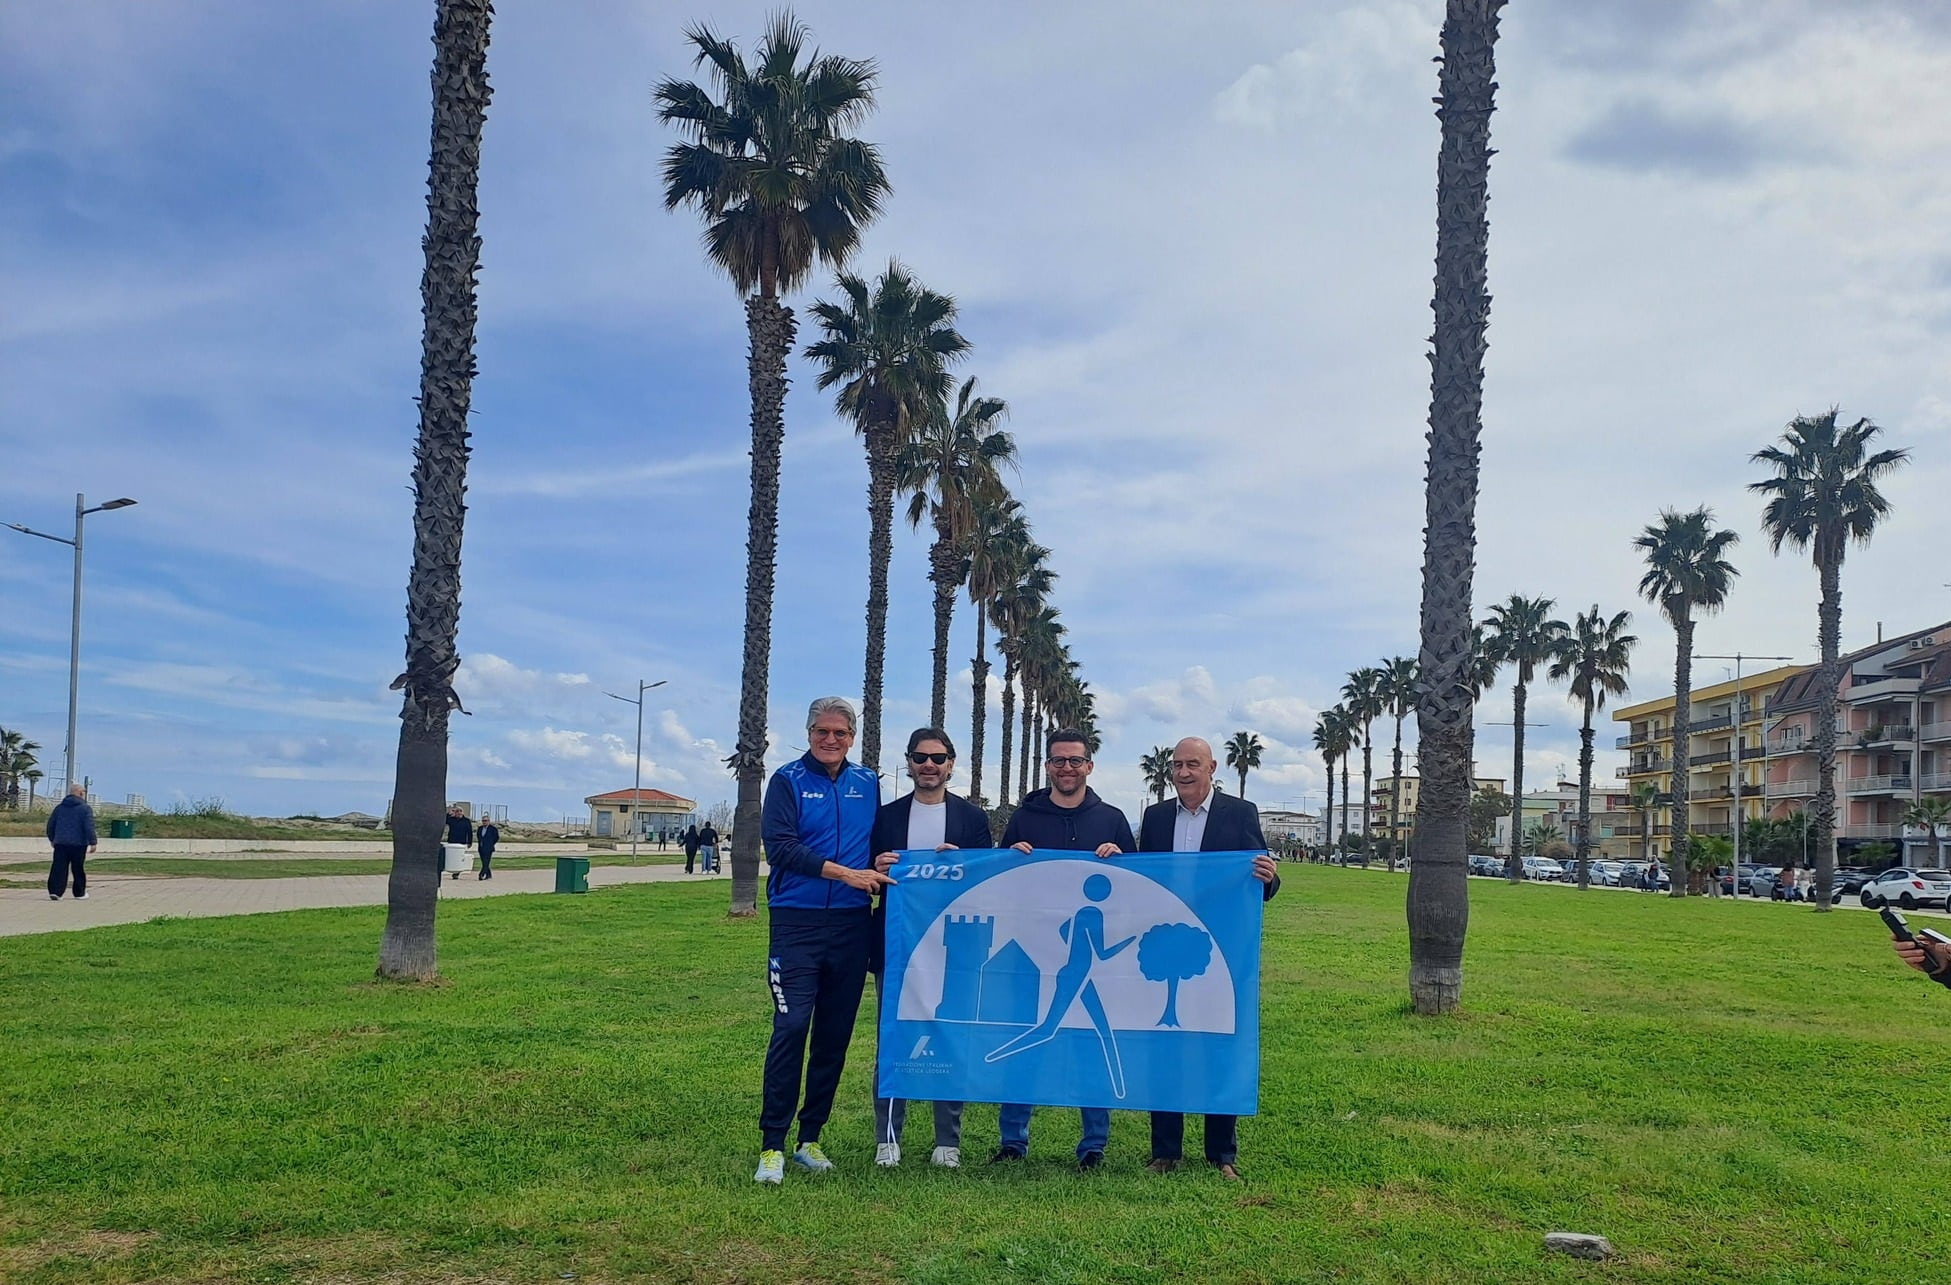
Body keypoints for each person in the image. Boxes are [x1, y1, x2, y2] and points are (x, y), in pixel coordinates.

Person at [753, 697, 891, 1185]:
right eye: (821, 731)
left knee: (834, 1036)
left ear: (852, 737)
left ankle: (810, 1138)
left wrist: (886, 865)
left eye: (840, 732)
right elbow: (784, 848)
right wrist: (845, 874)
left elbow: (878, 844)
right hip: (797, 923)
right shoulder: (788, 780)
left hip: (852, 926)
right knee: (792, 1028)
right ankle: (772, 1144)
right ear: (808, 731)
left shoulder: (867, 782)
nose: (830, 739)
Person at [992, 727, 1135, 1172]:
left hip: (1091, 974)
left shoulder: (1111, 819)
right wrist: (1009, 854)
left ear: (1089, 766)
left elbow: (1138, 891)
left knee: (1093, 1042)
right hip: (1039, 960)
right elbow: (997, 883)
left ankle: (1094, 1144)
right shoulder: (1025, 817)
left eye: (1075, 760)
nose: (1067, 768)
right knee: (1039, 1036)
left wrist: (1122, 861)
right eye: (1059, 761)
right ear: (1048, 766)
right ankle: (1013, 1140)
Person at [1137, 736, 1280, 1181]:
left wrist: (1270, 877)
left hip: (1221, 948)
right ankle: (1165, 1151)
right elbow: (1143, 880)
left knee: (1218, 1041)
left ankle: (1222, 1153)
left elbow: (1259, 879)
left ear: (1212, 767)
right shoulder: (1156, 817)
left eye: (1192, 764)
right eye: (1177, 764)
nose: (1183, 772)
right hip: (1165, 943)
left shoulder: (1240, 814)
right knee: (1166, 1041)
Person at [868, 727, 992, 1168]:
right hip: (897, 947)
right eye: (920, 757)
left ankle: (948, 1143)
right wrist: (876, 866)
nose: (929, 765)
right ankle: (887, 1139)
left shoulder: (972, 819)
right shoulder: (885, 816)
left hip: (954, 947)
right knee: (893, 1038)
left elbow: (985, 880)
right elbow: (867, 874)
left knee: (950, 1035)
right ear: (909, 762)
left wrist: (961, 864)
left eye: (938, 758)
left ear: (951, 764)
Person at [47, 783, 98, 901]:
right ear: (81, 793)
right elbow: (88, 826)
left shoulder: (59, 808)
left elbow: (51, 825)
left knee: (58, 867)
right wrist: (93, 842)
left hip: (61, 843)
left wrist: (52, 838)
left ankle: (55, 891)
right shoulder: (85, 808)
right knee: (78, 868)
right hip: (79, 844)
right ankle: (79, 893)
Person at [476, 815, 499, 880]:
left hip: (489, 848)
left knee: (486, 862)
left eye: (485, 821)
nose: (484, 822)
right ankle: (489, 874)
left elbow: (496, 838)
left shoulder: (493, 829)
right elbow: (478, 836)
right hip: (481, 848)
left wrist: (491, 844)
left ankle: (482, 874)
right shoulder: (480, 828)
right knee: (484, 862)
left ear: (489, 821)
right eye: (483, 821)